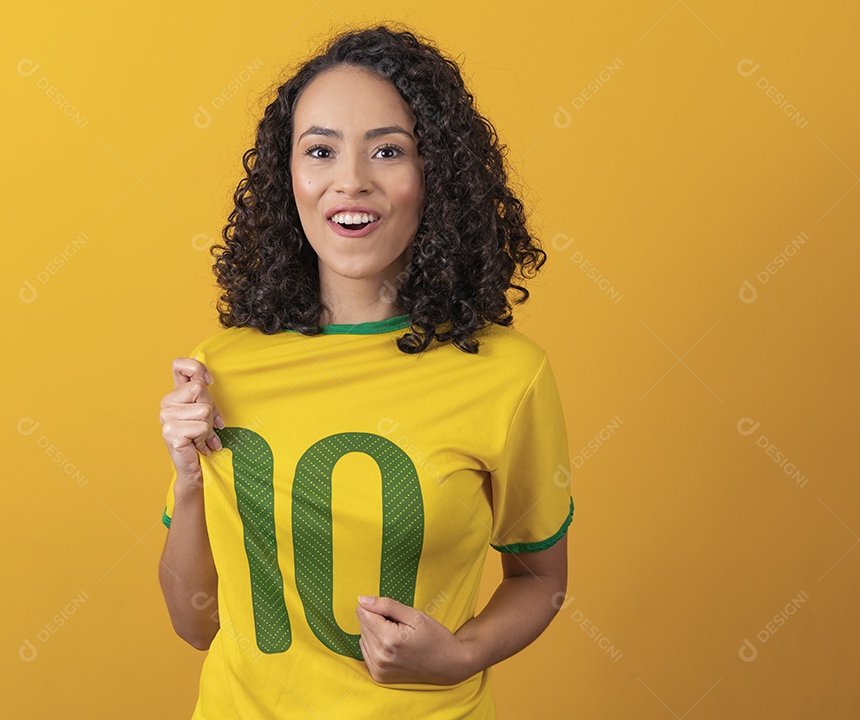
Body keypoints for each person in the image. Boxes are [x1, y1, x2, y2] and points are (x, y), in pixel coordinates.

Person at [157, 23, 574, 720]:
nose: (350, 181)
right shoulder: (220, 368)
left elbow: (540, 579)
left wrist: (462, 654)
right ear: (287, 176)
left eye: (388, 150)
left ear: (434, 173)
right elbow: (194, 624)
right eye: (320, 151)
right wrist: (187, 475)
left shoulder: (508, 375)